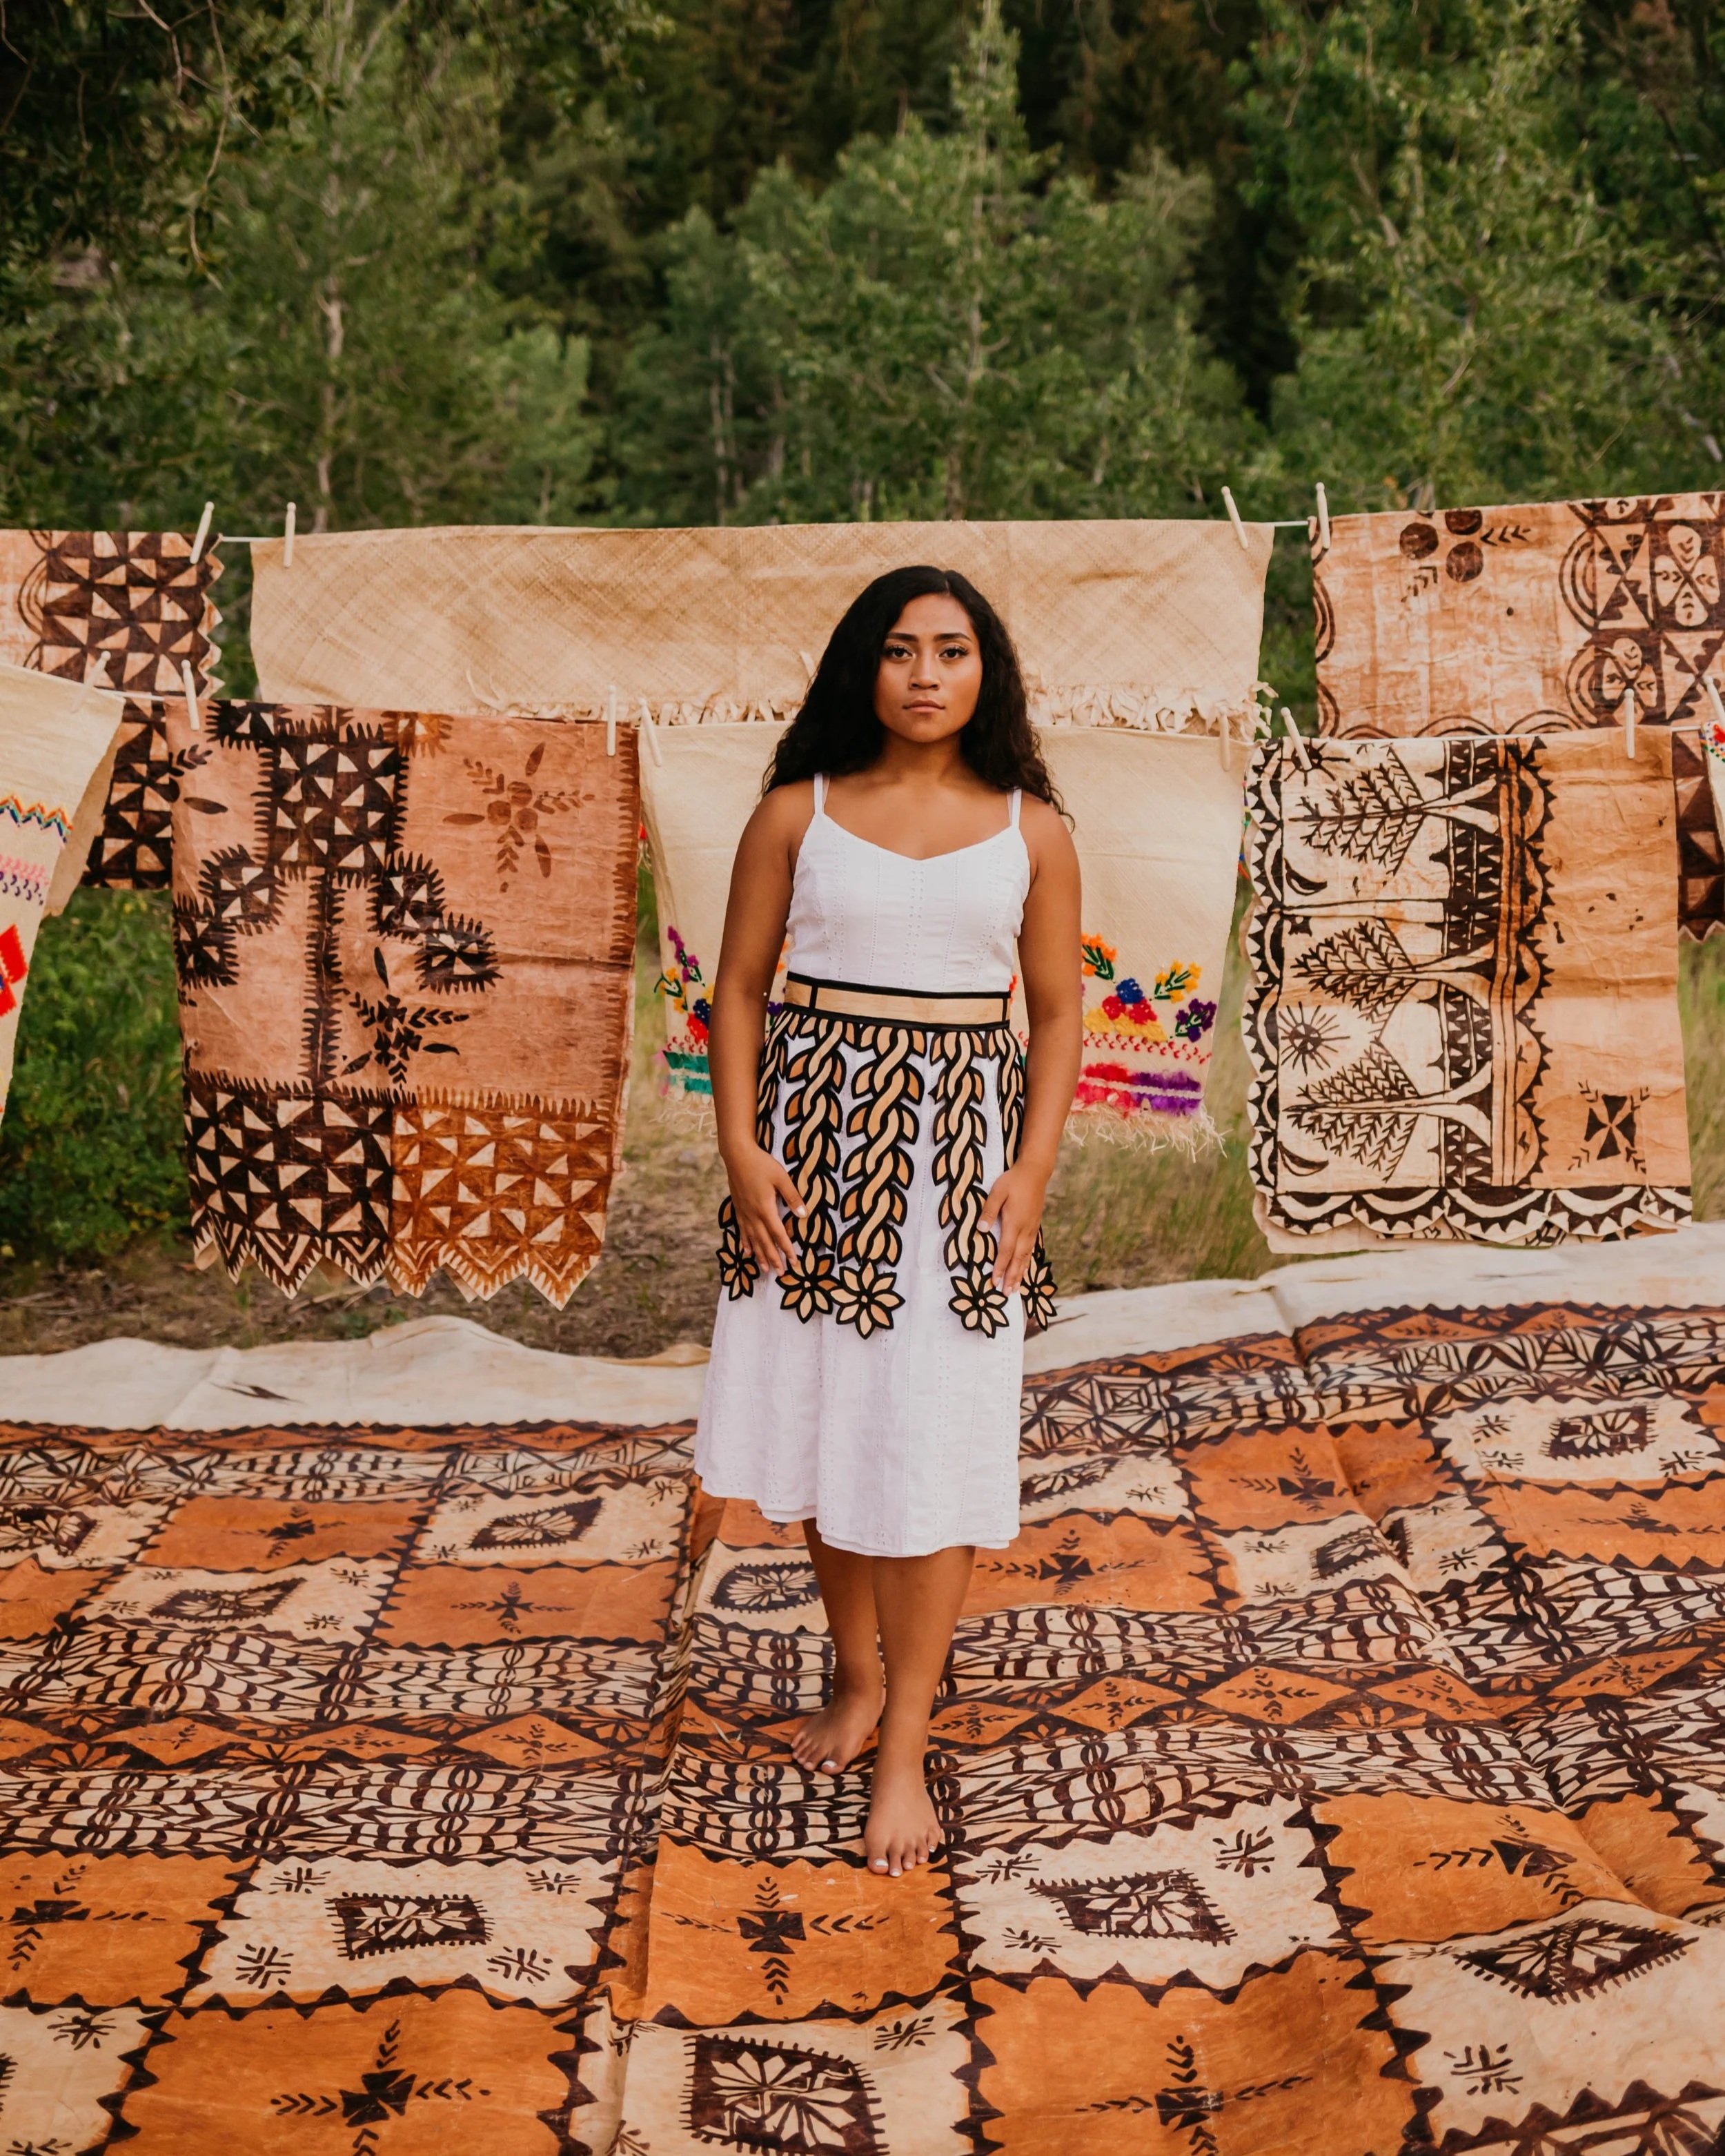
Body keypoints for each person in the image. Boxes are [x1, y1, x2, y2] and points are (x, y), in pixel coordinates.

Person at [695, 563, 1083, 1879]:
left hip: (958, 1163)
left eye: (955, 650)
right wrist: (742, 1149)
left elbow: (1057, 1011)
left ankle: (906, 1743)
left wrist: (1029, 1175)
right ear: (863, 665)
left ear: (989, 672)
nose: (927, 674)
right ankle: (854, 1680)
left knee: (933, 1435)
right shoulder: (795, 816)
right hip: (813, 1160)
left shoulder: (1030, 828)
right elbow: (739, 991)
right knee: (831, 1419)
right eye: (903, 649)